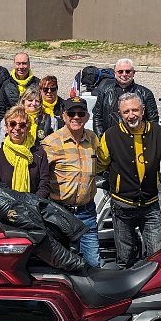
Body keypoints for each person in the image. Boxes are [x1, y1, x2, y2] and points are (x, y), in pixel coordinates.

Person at [97, 93, 161, 269]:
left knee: (157, 256)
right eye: (126, 111)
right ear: (120, 114)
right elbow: (101, 163)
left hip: (150, 203)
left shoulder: (158, 131)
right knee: (125, 256)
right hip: (122, 204)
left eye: (135, 110)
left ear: (143, 110)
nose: (131, 115)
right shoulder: (110, 135)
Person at [41, 97, 101, 268]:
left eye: (80, 113)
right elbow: (40, 176)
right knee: (61, 266)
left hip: (86, 212)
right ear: (63, 116)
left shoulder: (93, 139)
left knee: (93, 264)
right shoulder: (51, 143)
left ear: (87, 117)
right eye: (71, 113)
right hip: (60, 213)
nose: (76, 117)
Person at [0, 105, 50, 198]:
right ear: (6, 128)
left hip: (33, 205)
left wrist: (31, 203)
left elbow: (44, 185)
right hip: (5, 205)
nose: (17, 128)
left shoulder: (39, 153)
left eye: (22, 125)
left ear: (28, 129)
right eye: (12, 124)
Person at [0, 52, 40, 154]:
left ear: (29, 64)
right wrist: (6, 125)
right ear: (14, 64)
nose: (21, 67)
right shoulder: (7, 84)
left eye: (24, 63)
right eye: (18, 63)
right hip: (13, 127)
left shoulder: (37, 83)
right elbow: (0, 108)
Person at [93, 58, 158, 138]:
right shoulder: (105, 92)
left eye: (128, 71)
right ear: (115, 73)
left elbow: (153, 120)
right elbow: (97, 117)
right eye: (120, 71)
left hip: (137, 140)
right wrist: (100, 138)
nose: (124, 74)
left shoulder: (146, 93)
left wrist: (148, 139)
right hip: (110, 139)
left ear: (133, 73)